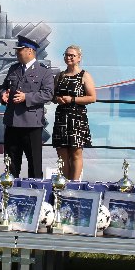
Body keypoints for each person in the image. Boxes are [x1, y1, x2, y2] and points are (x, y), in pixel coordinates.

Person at [0, 35, 54, 179]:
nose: (17, 53)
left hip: (31, 124)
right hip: (12, 123)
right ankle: (10, 190)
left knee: (34, 164)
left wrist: (26, 97)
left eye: (20, 50)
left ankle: (35, 190)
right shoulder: (14, 69)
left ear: (30, 51)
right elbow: (4, 87)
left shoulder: (44, 71)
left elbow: (48, 94)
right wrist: (3, 94)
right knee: (11, 164)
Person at [52, 45, 96, 180]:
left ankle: (74, 185)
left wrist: (72, 99)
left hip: (77, 118)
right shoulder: (59, 76)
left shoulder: (84, 75)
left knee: (76, 153)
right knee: (62, 154)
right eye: (66, 55)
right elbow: (52, 96)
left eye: (72, 55)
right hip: (61, 118)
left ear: (79, 58)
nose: (68, 57)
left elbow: (92, 97)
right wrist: (57, 99)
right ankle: (64, 183)